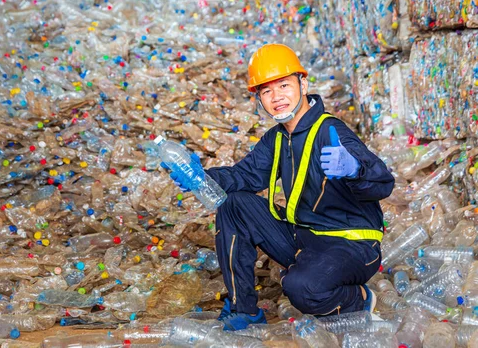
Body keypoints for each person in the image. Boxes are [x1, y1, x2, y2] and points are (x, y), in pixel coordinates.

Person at [165, 44, 395, 331]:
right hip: (305, 239)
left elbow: (383, 183)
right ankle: (244, 310)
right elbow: (244, 176)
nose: (277, 97)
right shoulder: (276, 138)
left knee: (303, 288)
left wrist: (354, 169)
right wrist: (200, 177)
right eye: (266, 91)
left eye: (284, 85)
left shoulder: (331, 132)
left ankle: (358, 299)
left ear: (303, 83)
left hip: (352, 245)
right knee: (233, 204)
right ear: (259, 98)